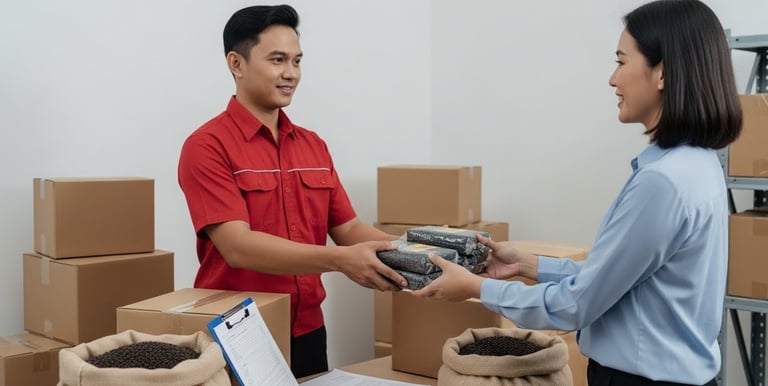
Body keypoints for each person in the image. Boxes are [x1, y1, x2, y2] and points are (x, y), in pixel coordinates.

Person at [413, 1, 742, 385]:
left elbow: (577, 304)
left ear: (663, 72)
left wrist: (476, 287)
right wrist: (526, 265)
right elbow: (620, 280)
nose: (612, 79)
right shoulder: (698, 164)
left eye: (621, 61)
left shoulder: (663, 182)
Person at [177, 4, 406, 379]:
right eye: (278, 60)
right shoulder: (207, 146)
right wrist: (340, 260)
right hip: (240, 333)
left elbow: (349, 230)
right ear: (236, 63)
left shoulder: (313, 146)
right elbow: (237, 247)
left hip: (308, 329)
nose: (291, 74)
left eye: (297, 61)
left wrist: (418, 249)